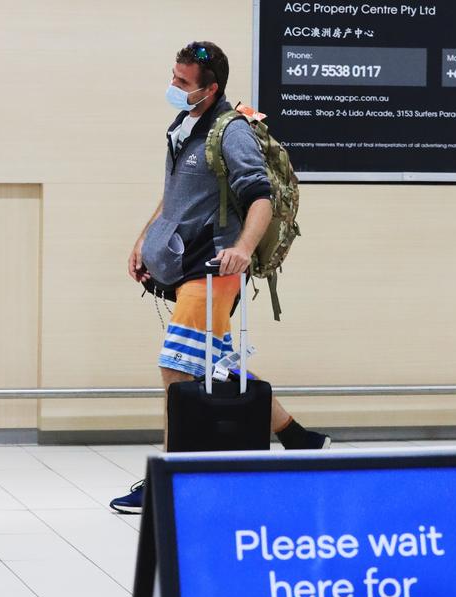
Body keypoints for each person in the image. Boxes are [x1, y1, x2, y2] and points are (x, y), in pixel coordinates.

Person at [110, 40, 329, 514]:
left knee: (177, 365)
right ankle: (297, 437)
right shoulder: (184, 124)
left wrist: (244, 250)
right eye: (173, 76)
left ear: (209, 89)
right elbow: (174, 197)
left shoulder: (232, 133)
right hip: (182, 263)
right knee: (215, 364)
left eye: (182, 82)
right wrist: (143, 241)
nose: (172, 86)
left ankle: (168, 482)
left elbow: (261, 198)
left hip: (213, 269)